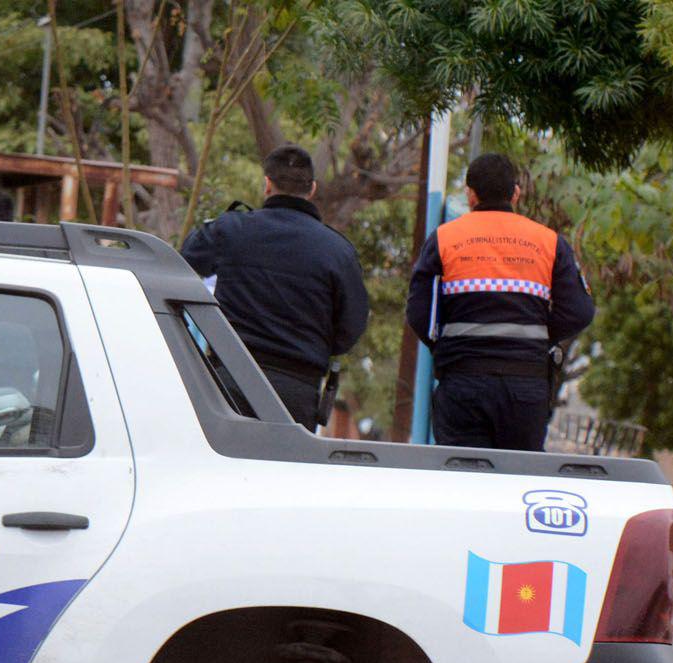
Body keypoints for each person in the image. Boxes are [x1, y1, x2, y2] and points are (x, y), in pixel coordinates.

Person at [405, 153, 594, 451]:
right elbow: (580, 311)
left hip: (462, 382)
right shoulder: (549, 243)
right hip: (525, 388)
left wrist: (446, 346)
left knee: (464, 482)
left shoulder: (444, 239)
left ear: (470, 195)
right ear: (516, 194)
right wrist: (540, 337)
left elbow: (419, 313)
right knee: (518, 485)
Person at [181, 144, 368, 429]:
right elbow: (351, 326)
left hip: (230, 380)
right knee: (284, 472)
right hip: (297, 390)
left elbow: (184, 263)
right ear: (312, 189)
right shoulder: (338, 251)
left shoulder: (231, 229)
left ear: (267, 184)